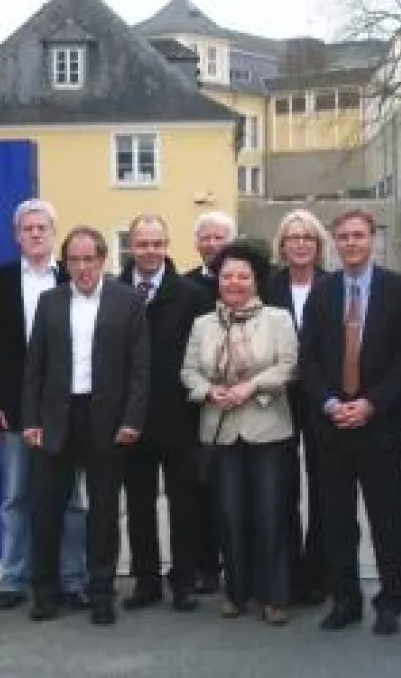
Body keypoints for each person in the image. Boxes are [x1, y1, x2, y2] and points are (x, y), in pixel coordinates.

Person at [300, 208, 401, 635]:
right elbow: (308, 357)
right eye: (343, 236)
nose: (351, 243)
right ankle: (345, 599)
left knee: (387, 517)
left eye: (358, 236)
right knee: (337, 520)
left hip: (379, 426)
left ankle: (390, 600)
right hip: (332, 426)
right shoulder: (322, 292)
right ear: (335, 242)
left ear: (373, 240)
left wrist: (371, 403)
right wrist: (331, 403)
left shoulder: (400, 290)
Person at [23, 227, 148, 626]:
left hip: (106, 421)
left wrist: (132, 420)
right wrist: (30, 421)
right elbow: (34, 368)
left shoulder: (128, 302)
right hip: (56, 420)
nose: (81, 268)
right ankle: (44, 593)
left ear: (102, 259)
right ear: (67, 263)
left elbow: (140, 370)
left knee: (104, 513)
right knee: (46, 511)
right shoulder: (50, 302)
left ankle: (101, 594)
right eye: (74, 260)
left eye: (88, 259)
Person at [0, 199, 88, 611]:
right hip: (14, 405)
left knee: (71, 500)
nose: (36, 234)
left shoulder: (72, 278)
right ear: (16, 235)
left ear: (53, 234)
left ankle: (73, 579)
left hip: (65, 407)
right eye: (28, 228)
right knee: (16, 496)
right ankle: (12, 578)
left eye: (43, 228)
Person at [181, 241, 298, 625]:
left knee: (270, 515)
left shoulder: (278, 319)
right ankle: (236, 591)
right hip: (221, 430)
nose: (234, 283)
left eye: (243, 276)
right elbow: (188, 372)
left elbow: (288, 366)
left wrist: (252, 387)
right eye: (227, 276)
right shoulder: (203, 323)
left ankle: (274, 595)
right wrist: (207, 391)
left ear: (256, 280)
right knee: (229, 515)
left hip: (268, 429)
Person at [117, 214, 207, 613]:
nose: (150, 251)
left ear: (167, 245)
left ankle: (184, 581)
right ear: (131, 247)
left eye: (157, 244)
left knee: (183, 503)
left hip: (178, 416)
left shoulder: (189, 294)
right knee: (138, 503)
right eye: (143, 243)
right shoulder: (114, 291)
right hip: (130, 416)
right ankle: (146, 580)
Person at [265, 208, 331, 607]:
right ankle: (285, 573)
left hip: (322, 398)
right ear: (282, 246)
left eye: (308, 237)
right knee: (281, 488)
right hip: (278, 399)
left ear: (318, 245)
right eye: (293, 237)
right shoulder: (269, 287)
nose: (300, 243)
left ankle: (319, 573)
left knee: (325, 488)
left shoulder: (333, 285)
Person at [183, 210, 236, 594]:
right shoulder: (186, 287)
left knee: (238, 490)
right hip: (198, 402)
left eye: (220, 237)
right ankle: (206, 565)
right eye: (206, 237)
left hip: (244, 401)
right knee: (201, 489)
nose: (212, 244)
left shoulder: (250, 281)